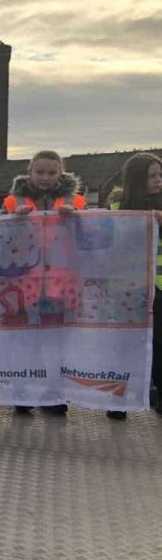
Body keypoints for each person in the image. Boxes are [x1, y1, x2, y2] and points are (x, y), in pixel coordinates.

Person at [4, 150, 85, 416]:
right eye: (40, 172)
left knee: (56, 342)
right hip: (24, 284)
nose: (45, 178)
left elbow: (88, 236)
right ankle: (22, 392)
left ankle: (54, 393)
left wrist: (75, 218)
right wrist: (15, 220)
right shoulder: (12, 202)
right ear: (30, 172)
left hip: (60, 284)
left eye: (52, 173)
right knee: (25, 342)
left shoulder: (76, 201)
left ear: (61, 174)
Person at [107, 152, 162, 419]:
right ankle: (118, 398)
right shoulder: (119, 209)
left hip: (160, 287)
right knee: (123, 344)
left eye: (160, 176)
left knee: (160, 344)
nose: (159, 181)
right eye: (152, 176)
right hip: (128, 287)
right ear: (138, 180)